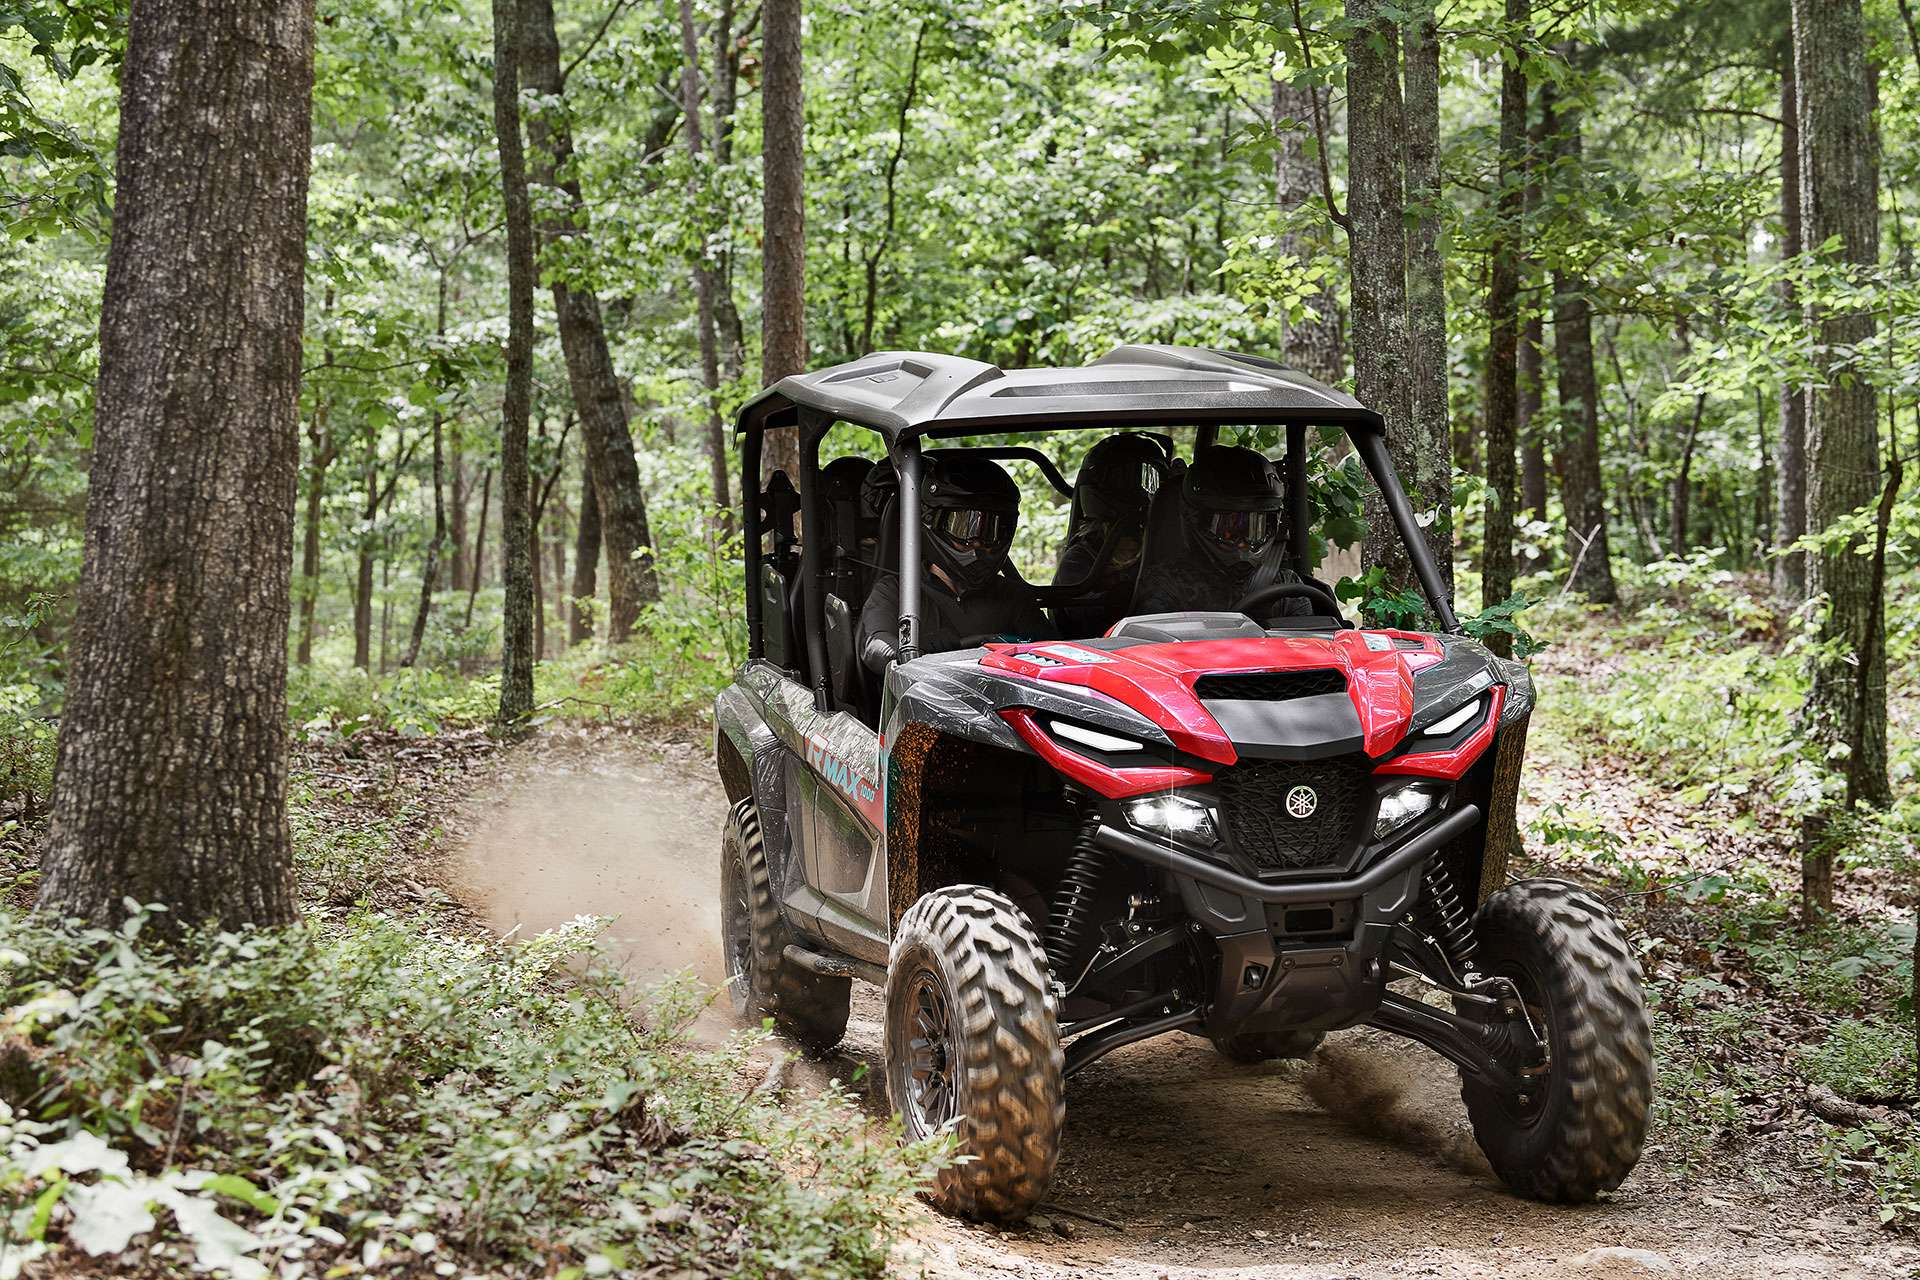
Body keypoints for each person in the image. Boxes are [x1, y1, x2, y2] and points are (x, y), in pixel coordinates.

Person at [860, 454, 1055, 671]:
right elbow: (875, 646)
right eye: (965, 528)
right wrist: (917, 653)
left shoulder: (1012, 596)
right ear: (932, 523)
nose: (978, 543)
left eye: (992, 531)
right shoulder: (895, 591)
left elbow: (1054, 654)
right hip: (923, 689)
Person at [1130, 444, 1313, 620]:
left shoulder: (1286, 587)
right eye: (1230, 529)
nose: (1242, 544)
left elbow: (1307, 639)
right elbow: (1152, 640)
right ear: (1196, 520)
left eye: (1256, 528)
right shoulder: (1168, 585)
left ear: (1274, 525)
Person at [1052, 434, 1163, 636]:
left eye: (1151, 479)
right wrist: (1116, 598)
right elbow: (1081, 614)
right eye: (1127, 479)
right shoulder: (1080, 559)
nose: (1143, 492)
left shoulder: (1160, 547)